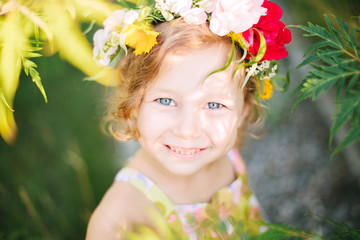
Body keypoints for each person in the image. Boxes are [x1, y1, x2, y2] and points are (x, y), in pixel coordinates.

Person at [86, 1, 291, 239]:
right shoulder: (118, 220)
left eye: (214, 105)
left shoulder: (225, 154)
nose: (188, 131)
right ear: (133, 104)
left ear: (243, 111)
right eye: (165, 100)